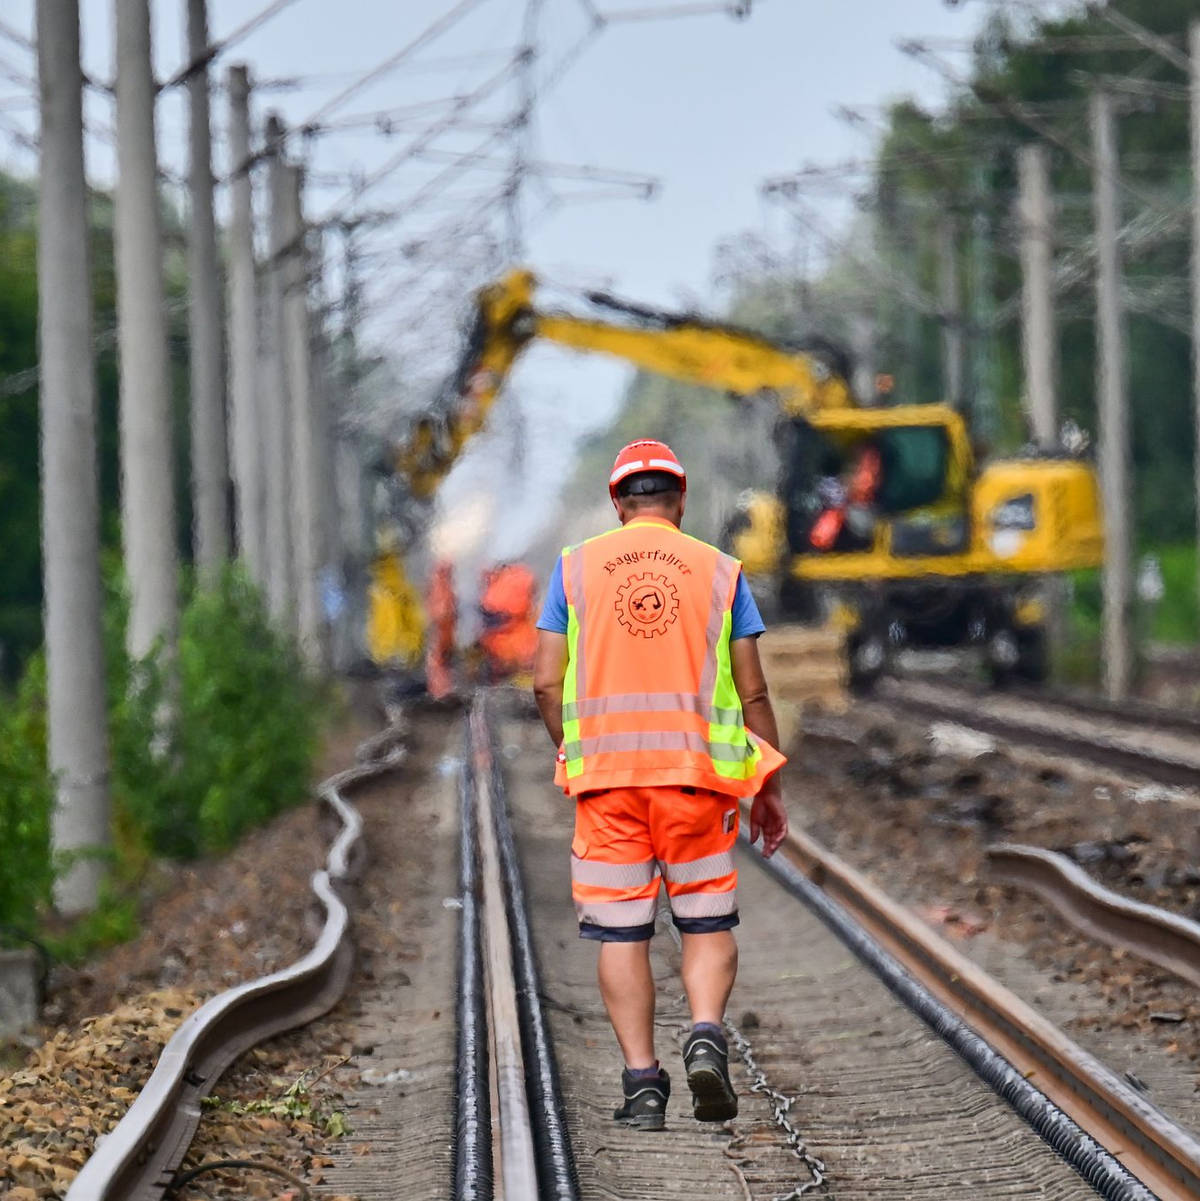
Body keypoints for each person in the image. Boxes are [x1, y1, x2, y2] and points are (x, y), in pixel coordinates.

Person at [532, 438, 789, 1132]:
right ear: (680, 498)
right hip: (697, 784)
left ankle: (643, 1086)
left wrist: (574, 752)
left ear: (619, 502)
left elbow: (543, 680)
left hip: (608, 788)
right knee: (704, 920)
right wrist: (765, 782)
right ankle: (705, 1031)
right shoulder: (722, 571)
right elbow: (754, 688)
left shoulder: (573, 570)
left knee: (623, 935)